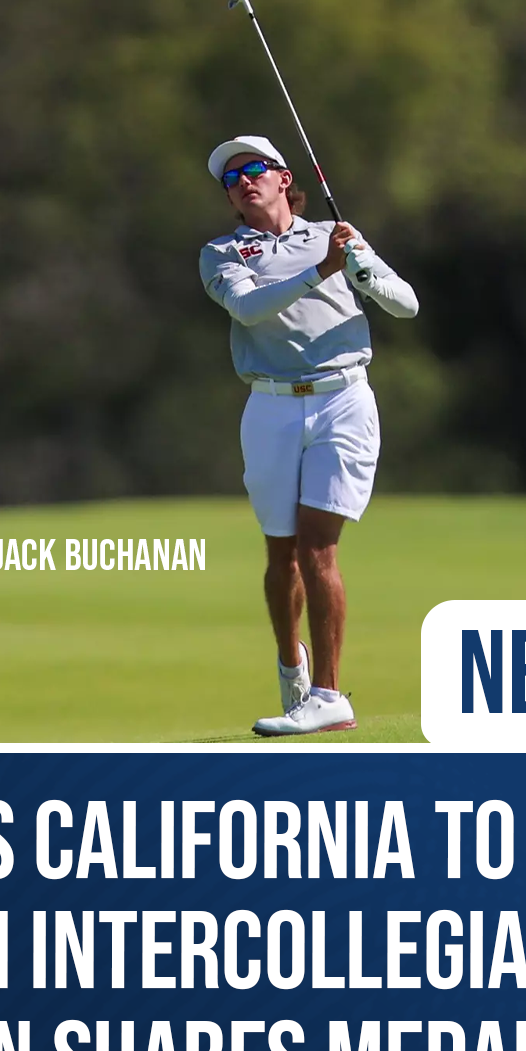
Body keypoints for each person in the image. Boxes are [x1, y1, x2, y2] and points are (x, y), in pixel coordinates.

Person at [199, 135, 419, 736]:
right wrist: (321, 271)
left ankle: (327, 695)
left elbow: (406, 305)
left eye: (254, 168)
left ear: (283, 176)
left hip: (344, 397)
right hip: (270, 406)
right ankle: (291, 666)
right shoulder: (222, 252)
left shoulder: (333, 234)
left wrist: (359, 266)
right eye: (231, 178)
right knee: (282, 552)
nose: (244, 180)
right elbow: (249, 310)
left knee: (317, 547)